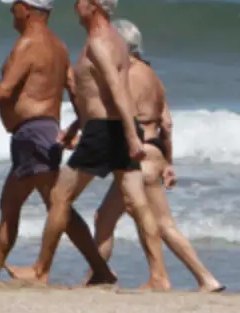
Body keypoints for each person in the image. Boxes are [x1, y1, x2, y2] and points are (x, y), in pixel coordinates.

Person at [6, 0, 171, 290]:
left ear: (92, 7)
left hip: (105, 131)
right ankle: (159, 276)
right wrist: (76, 127)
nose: (74, 7)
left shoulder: (98, 43)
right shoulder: (117, 42)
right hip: (115, 127)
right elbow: (98, 93)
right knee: (137, 202)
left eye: (79, 2)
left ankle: (41, 270)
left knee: (59, 196)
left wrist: (130, 137)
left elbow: (117, 90)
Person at [0, 0, 115, 284]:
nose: (11, 12)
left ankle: (93, 270)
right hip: (40, 133)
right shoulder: (59, 46)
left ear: (27, 10)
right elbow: (74, 92)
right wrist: (78, 126)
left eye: (14, 7)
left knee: (56, 204)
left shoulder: (28, 44)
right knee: (14, 202)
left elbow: (5, 89)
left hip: (33, 134)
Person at [90, 19, 224, 292]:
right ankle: (204, 278)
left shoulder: (123, 75)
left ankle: (104, 277)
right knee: (144, 221)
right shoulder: (152, 75)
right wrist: (168, 163)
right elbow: (167, 122)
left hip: (136, 156)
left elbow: (117, 116)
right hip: (156, 152)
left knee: (123, 219)